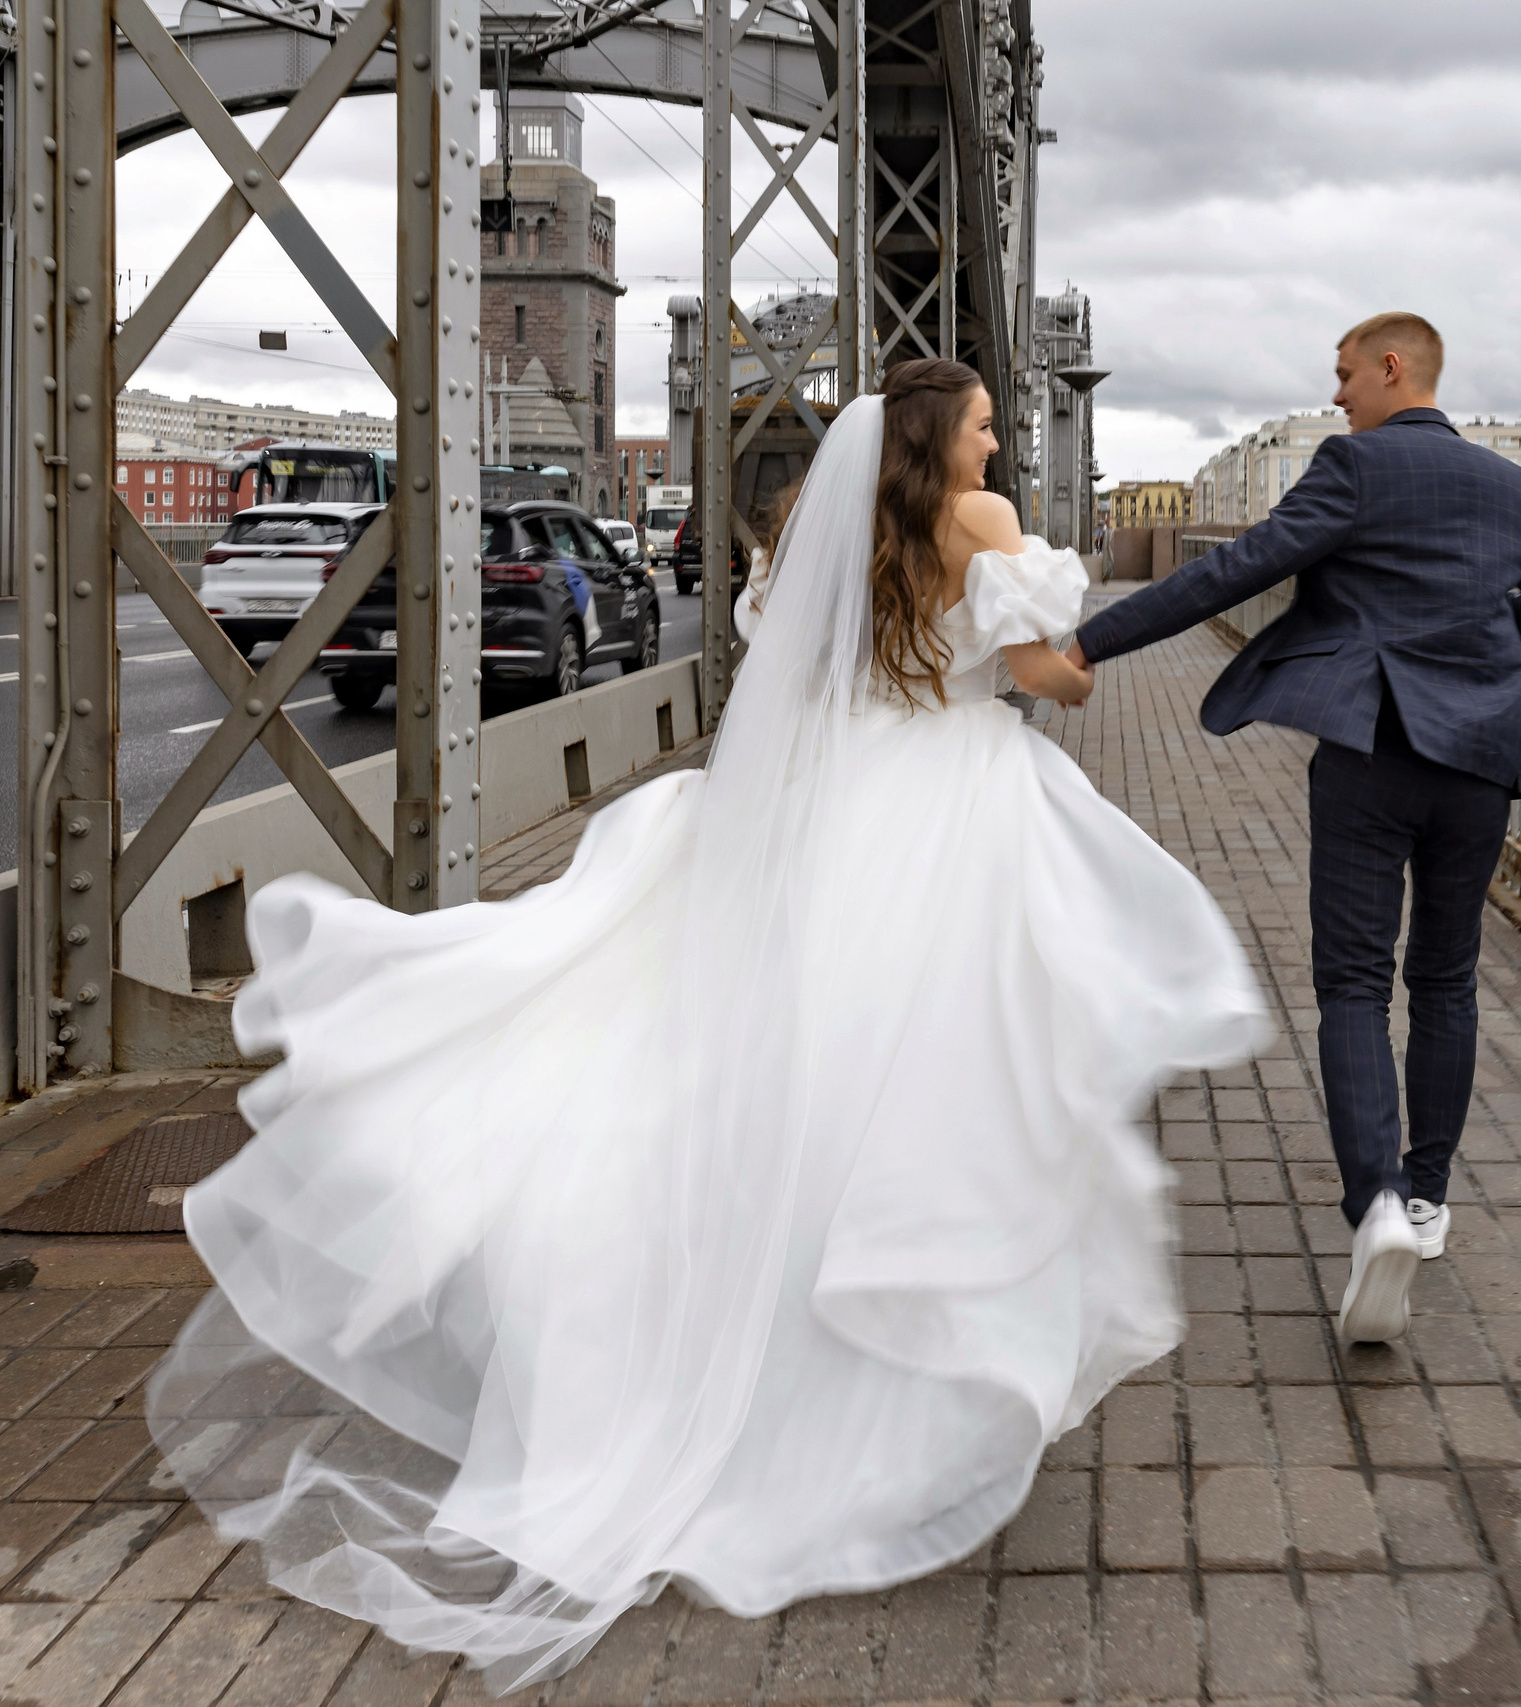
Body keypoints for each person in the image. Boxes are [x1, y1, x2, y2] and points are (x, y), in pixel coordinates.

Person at [146, 360, 1267, 1691]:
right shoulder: (988, 524)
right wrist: (1080, 628)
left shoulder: (818, 530)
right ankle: (895, 1398)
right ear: (936, 438)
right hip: (950, 813)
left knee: (796, 1082)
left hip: (839, 810)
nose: (992, 439)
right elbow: (1045, 675)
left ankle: (771, 1371)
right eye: (978, 423)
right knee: (950, 1095)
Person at [1067, 312, 1521, 1345]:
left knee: (1353, 984)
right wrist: (1468, 628)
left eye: (1346, 374)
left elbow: (1233, 571)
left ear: (1394, 368)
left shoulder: (1352, 469)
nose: (1340, 393)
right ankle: (1428, 1198)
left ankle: (1377, 1206)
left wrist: (1086, 643)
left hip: (1372, 752)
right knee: (1445, 979)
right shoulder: (1510, 486)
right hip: (1484, 756)